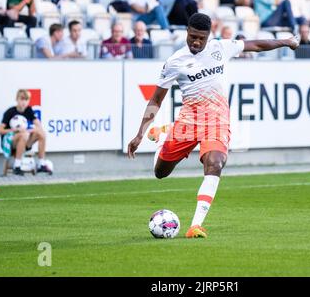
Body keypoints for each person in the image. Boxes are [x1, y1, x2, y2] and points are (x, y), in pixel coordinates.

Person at [127, 13, 300, 239]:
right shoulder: (174, 62)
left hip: (217, 122)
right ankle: (162, 137)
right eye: (192, 37)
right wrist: (140, 133)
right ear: (186, 32)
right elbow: (156, 100)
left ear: (209, 36)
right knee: (160, 173)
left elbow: (255, 45)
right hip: (188, 123)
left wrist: (285, 42)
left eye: (201, 38)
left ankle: (195, 225)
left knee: (215, 163)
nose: (196, 42)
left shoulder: (220, 48)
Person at [0, 89, 50, 176]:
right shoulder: (10, 112)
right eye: (22, 99)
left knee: (41, 133)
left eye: (26, 100)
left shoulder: (28, 110)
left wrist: (31, 130)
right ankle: (17, 166)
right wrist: (14, 130)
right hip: (10, 142)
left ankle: (41, 164)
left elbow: (38, 125)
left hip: (24, 140)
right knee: (23, 134)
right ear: (17, 99)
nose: (24, 102)